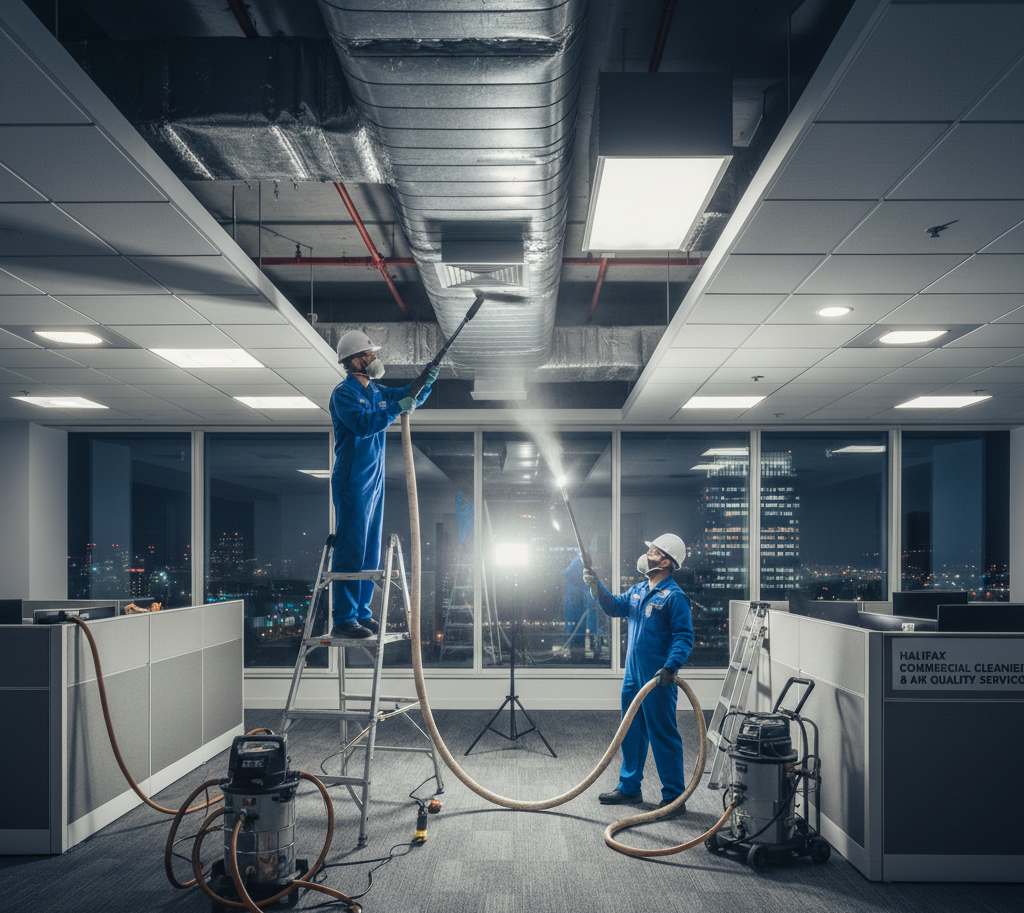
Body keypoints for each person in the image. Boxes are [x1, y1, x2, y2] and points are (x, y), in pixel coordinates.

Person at [329, 330, 438, 638]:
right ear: (354, 361)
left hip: (373, 478)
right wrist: (396, 407)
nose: (374, 358)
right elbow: (364, 425)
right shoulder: (344, 394)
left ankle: (362, 613)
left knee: (369, 550)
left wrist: (426, 381)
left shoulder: (374, 391)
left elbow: (407, 395)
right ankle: (343, 618)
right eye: (369, 354)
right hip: (353, 478)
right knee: (351, 547)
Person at [583, 533, 693, 816]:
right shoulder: (637, 590)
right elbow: (612, 607)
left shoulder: (675, 597)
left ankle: (674, 797)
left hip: (658, 678)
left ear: (666, 562)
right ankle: (629, 787)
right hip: (633, 676)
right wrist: (596, 585)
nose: (648, 554)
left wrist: (671, 667)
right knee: (631, 732)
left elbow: (683, 636)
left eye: (654, 551)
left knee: (663, 735)